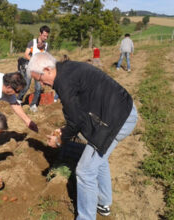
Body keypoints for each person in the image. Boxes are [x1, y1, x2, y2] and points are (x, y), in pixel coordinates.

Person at [27, 52, 138, 220]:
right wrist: (64, 131)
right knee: (98, 159)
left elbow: (76, 121)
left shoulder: (63, 82)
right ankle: (103, 201)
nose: (43, 84)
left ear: (48, 70)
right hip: (121, 111)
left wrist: (59, 139)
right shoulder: (67, 70)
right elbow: (77, 114)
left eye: (40, 80)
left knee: (85, 170)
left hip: (117, 119)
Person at [17, 25, 50, 112]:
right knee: (26, 85)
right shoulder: (33, 42)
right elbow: (26, 54)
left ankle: (33, 104)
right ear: (40, 34)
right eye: (44, 35)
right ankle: (19, 100)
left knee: (38, 88)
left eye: (47, 36)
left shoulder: (46, 45)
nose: (46, 38)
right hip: (30, 67)